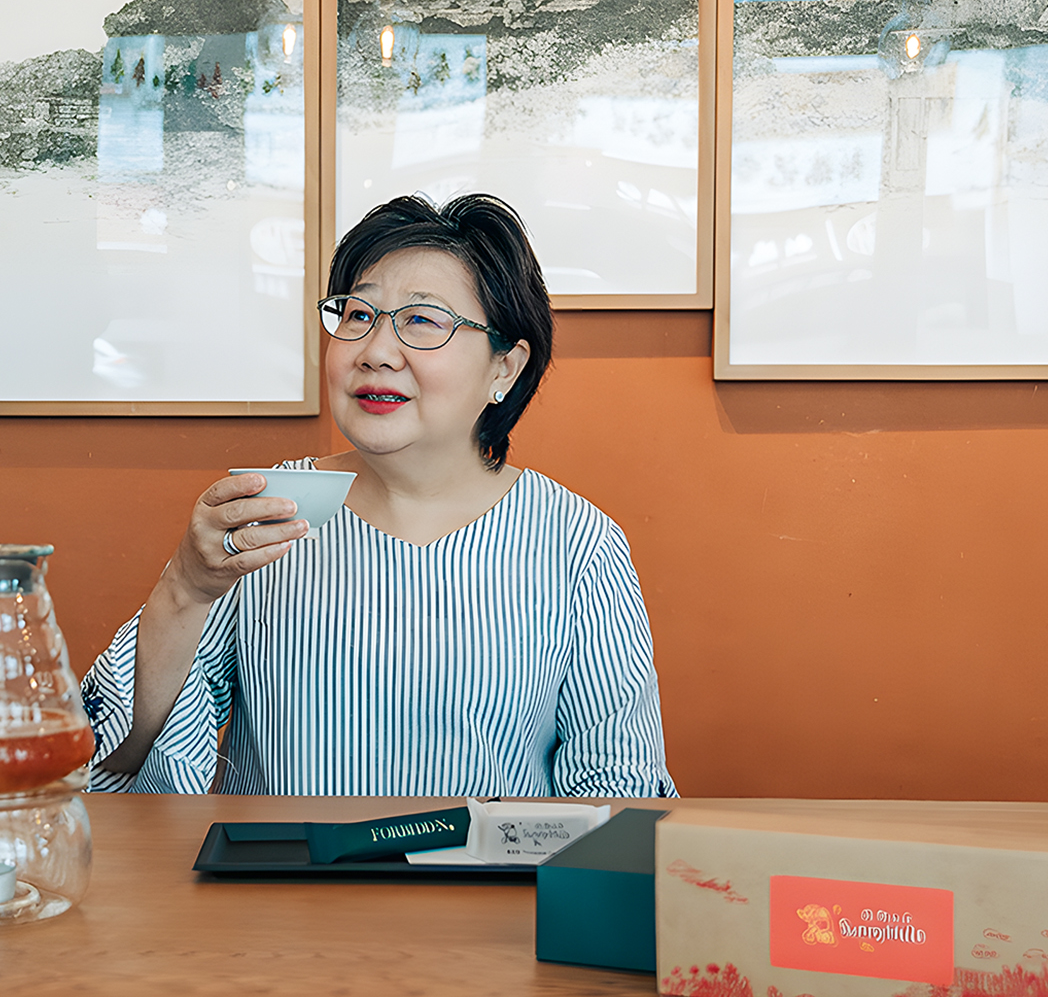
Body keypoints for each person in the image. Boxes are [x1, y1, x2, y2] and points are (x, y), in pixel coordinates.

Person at [82, 193, 676, 797]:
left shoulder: (575, 543)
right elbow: (115, 762)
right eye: (358, 315)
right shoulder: (270, 511)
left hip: (480, 889)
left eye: (422, 321)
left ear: (505, 368)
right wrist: (187, 583)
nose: (375, 352)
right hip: (279, 888)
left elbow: (618, 796)